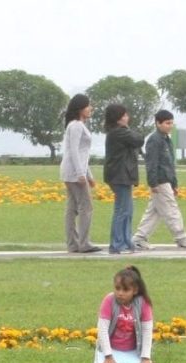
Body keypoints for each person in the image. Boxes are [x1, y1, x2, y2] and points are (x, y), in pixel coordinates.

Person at [134, 109, 186, 250]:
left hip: (166, 180)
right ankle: (182, 238)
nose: (170, 126)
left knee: (154, 212)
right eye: (167, 123)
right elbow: (151, 163)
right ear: (158, 123)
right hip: (160, 181)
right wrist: (153, 183)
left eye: (171, 123)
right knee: (171, 209)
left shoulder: (166, 140)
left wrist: (174, 183)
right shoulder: (154, 140)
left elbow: (170, 164)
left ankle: (139, 238)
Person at [95, 265, 155, 363]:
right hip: (111, 351)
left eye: (125, 290)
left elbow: (147, 331)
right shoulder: (109, 300)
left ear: (135, 290)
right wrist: (108, 356)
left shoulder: (143, 303)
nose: (120, 293)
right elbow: (102, 330)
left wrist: (145, 357)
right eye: (117, 288)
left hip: (133, 352)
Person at [60, 94, 101, 254]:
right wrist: (80, 174)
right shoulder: (76, 126)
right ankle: (84, 243)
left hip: (71, 170)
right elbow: (75, 151)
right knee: (86, 207)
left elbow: (82, 154)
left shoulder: (74, 125)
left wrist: (88, 175)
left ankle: (73, 244)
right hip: (74, 172)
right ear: (80, 108)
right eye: (88, 106)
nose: (90, 108)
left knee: (72, 208)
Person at [103, 104, 141, 254]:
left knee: (128, 210)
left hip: (122, 175)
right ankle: (117, 243)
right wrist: (129, 129)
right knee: (121, 210)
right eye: (124, 115)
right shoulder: (119, 133)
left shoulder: (118, 132)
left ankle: (126, 241)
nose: (127, 118)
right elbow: (138, 139)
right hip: (120, 175)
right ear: (117, 119)